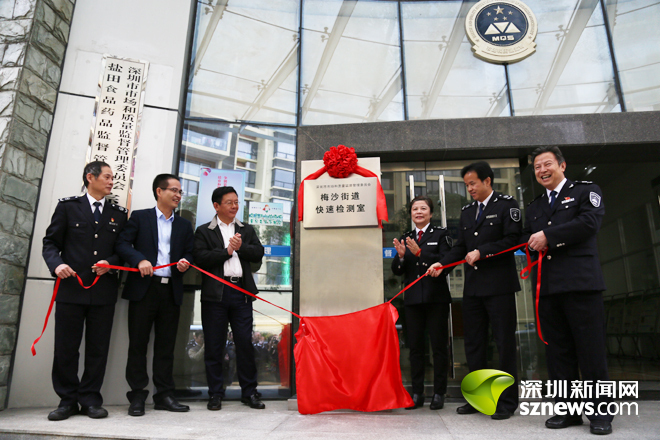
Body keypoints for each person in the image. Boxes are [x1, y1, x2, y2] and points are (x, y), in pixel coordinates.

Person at [522, 146, 613, 435]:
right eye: (537, 167)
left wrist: (548, 236)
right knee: (558, 353)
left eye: (547, 164)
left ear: (562, 165)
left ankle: (600, 413)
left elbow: (589, 223)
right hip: (548, 288)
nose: (542, 170)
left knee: (590, 351)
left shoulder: (586, 191)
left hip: (581, 285)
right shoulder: (535, 206)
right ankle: (568, 410)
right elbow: (528, 241)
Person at [429, 161, 521, 420]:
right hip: (474, 289)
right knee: (473, 344)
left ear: (487, 181)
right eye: (466, 185)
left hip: (500, 287)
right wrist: (442, 264)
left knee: (503, 343)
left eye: (473, 183)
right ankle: (478, 399)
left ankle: (506, 402)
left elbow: (513, 240)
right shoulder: (468, 212)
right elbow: (460, 247)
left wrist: (483, 251)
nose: (469, 188)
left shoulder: (507, 205)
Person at [42, 161, 128, 420]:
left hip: (103, 292)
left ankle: (90, 399)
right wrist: (57, 265)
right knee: (66, 348)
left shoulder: (119, 213)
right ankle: (67, 400)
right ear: (90, 177)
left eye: (113, 178)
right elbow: (50, 243)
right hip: (70, 289)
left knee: (98, 349)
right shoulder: (68, 207)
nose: (111, 182)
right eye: (107, 177)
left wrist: (110, 262)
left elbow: (123, 250)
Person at [115, 174, 194, 416]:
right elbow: (122, 244)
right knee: (138, 345)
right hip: (144, 289)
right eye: (174, 190)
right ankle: (137, 396)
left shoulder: (183, 225)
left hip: (171, 290)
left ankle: (164, 395)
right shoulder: (140, 217)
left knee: (166, 347)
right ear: (159, 191)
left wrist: (186, 262)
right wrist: (139, 260)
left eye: (180, 191)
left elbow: (191, 252)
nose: (178, 195)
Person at [193, 186, 265, 410]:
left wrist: (240, 247)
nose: (234, 206)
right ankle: (216, 393)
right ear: (216, 206)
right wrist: (226, 251)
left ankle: (249, 392)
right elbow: (201, 258)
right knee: (214, 345)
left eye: (236, 202)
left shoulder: (246, 229)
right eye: (229, 202)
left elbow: (258, 252)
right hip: (215, 295)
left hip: (241, 293)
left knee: (244, 343)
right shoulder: (204, 231)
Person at [391, 195, 452, 410]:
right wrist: (401, 257)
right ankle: (417, 393)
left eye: (423, 208)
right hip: (413, 301)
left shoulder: (441, 234)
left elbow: (447, 262)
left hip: (436, 299)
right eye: (415, 209)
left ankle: (439, 393)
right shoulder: (407, 237)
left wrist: (420, 253)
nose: (418, 212)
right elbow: (397, 271)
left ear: (431, 213)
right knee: (415, 348)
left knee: (438, 347)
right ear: (411, 213)